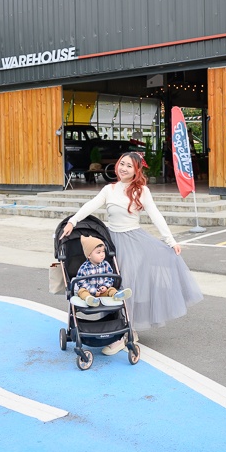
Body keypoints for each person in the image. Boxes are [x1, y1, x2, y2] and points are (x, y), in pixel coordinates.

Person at [60, 152, 203, 355]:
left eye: (129, 166)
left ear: (137, 170)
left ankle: (127, 333)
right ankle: (122, 328)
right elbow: (90, 205)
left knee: (127, 286)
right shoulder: (108, 189)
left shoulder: (141, 191)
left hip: (134, 243)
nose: (123, 168)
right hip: (112, 243)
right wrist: (72, 221)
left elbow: (156, 216)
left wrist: (170, 240)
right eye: (122, 164)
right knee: (113, 284)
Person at [74, 235, 132, 307]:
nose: (102, 255)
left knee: (111, 289)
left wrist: (106, 286)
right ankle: (89, 299)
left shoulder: (105, 264)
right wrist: (93, 291)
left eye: (103, 251)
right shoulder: (84, 268)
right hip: (89, 291)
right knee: (81, 291)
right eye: (98, 252)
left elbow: (109, 277)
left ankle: (117, 295)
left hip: (103, 292)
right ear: (89, 255)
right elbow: (81, 282)